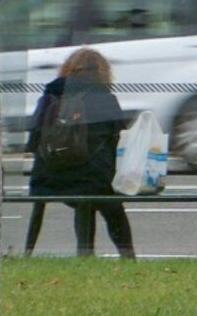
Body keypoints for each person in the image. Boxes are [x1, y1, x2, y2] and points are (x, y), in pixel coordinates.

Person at [24, 49, 136, 260]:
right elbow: (118, 139)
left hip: (47, 179)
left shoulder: (49, 96)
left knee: (87, 198)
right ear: (103, 72)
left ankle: (30, 251)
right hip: (91, 179)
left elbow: (33, 140)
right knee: (112, 208)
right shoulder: (105, 98)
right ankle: (127, 257)